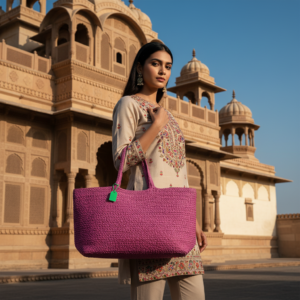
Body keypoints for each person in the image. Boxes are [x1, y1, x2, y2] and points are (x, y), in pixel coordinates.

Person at [112, 42, 208, 300]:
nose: (162, 71)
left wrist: (193, 220)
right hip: (149, 216)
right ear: (140, 68)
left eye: (167, 66)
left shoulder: (169, 116)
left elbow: (179, 173)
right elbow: (121, 160)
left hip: (180, 221)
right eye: (155, 63)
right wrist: (155, 127)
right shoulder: (128, 105)